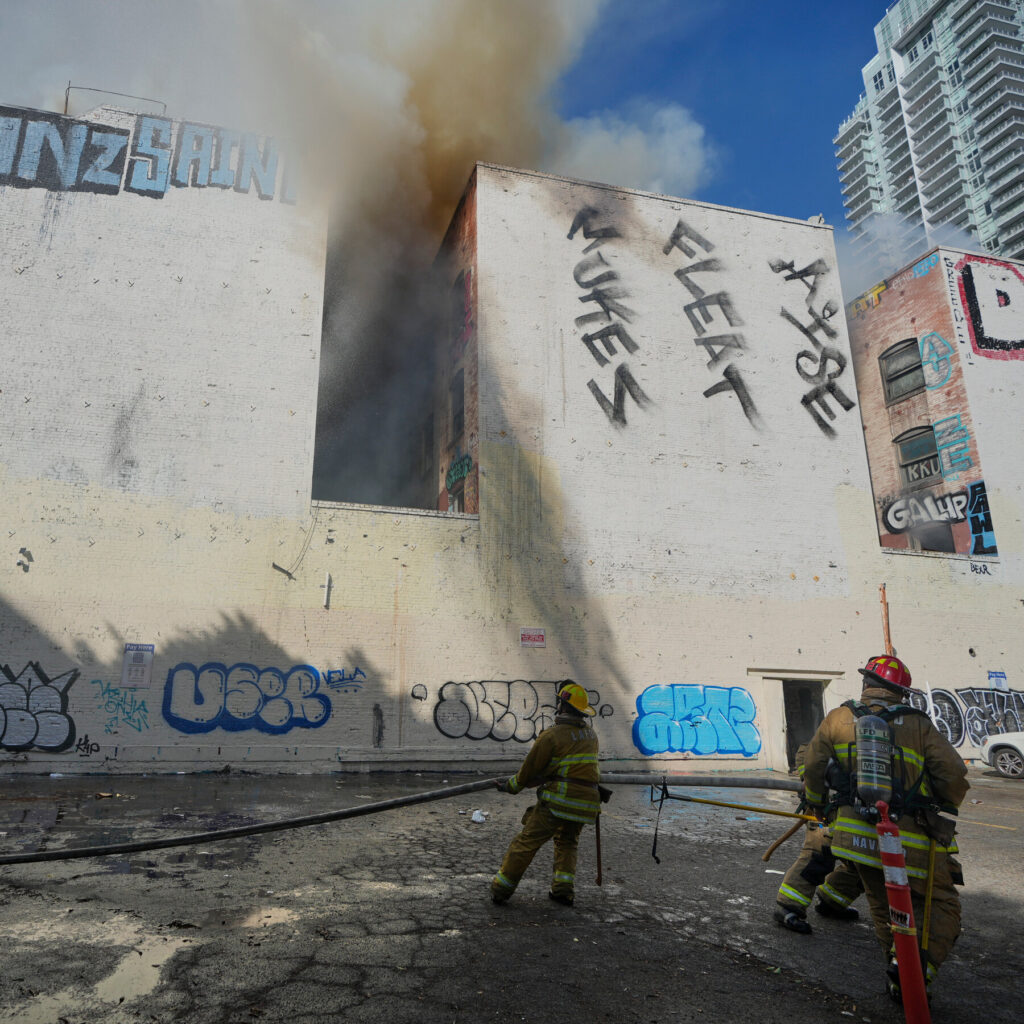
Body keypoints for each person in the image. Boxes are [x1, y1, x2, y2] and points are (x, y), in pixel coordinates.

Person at [802, 655, 969, 1001]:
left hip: (854, 836)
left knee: (884, 908)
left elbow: (814, 766)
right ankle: (915, 970)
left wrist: (816, 803)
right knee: (939, 904)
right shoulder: (918, 724)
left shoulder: (838, 717)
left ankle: (900, 979)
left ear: (866, 684)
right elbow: (952, 774)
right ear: (901, 692)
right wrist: (943, 802)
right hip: (905, 840)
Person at [490, 680, 601, 908]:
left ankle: (501, 890)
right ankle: (563, 891)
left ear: (562, 705)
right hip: (586, 804)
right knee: (567, 843)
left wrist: (509, 786)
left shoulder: (551, 736)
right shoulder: (591, 735)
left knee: (526, 842)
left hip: (559, 802)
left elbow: (529, 771)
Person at [774, 744, 864, 934]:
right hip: (827, 809)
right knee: (819, 855)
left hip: (861, 812)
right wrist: (815, 790)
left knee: (865, 862)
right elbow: (806, 752)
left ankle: (833, 900)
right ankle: (788, 907)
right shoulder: (834, 731)